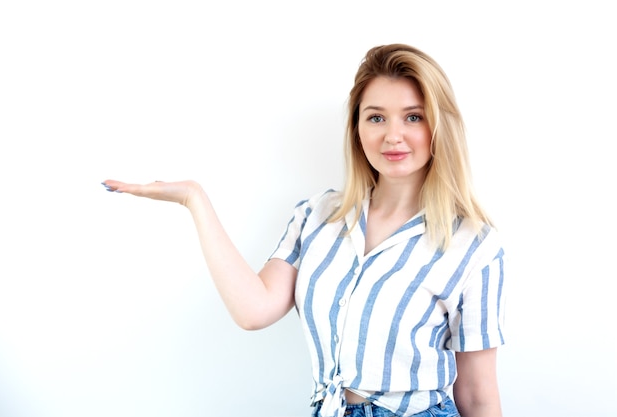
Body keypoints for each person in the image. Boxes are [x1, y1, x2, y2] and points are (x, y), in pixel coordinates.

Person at [102, 43, 506, 417]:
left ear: (438, 127)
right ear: (357, 128)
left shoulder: (474, 244)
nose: (392, 135)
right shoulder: (317, 216)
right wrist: (195, 199)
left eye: (413, 117)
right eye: (376, 117)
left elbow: (475, 392)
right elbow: (253, 310)